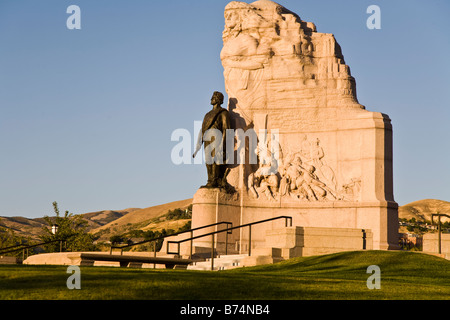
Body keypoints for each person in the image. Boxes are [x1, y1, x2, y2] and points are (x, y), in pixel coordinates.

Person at [193, 91, 232, 189]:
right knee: (208, 160)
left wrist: (223, 144)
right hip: (207, 137)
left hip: (216, 136)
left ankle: (215, 180)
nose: (211, 99)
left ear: (218, 100)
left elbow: (226, 129)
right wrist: (197, 146)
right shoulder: (207, 114)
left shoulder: (223, 112)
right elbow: (203, 129)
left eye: (214, 97)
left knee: (215, 158)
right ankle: (210, 180)